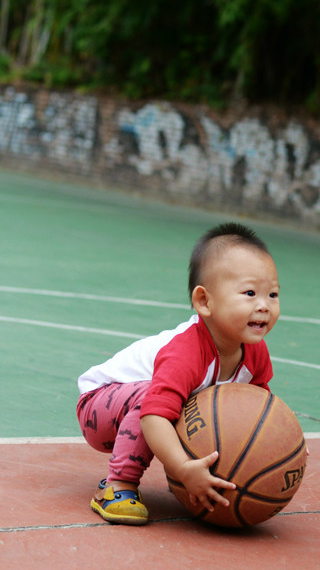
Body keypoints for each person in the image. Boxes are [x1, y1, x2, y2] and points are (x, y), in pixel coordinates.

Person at [76, 222, 280, 525]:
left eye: (273, 294)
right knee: (155, 399)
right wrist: (184, 469)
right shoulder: (185, 352)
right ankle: (117, 486)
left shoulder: (255, 353)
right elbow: (154, 416)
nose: (264, 306)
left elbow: (256, 413)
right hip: (101, 406)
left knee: (222, 412)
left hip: (143, 407)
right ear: (204, 302)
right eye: (250, 293)